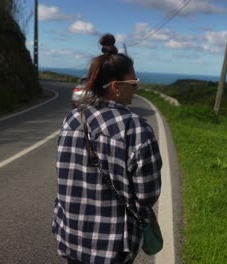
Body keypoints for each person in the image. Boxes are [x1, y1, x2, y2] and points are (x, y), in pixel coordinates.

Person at [52, 33, 162, 264]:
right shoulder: (136, 129)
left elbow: (64, 177)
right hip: (113, 246)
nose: (137, 86)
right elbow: (147, 194)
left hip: (71, 238)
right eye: (133, 82)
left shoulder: (72, 119)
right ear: (116, 87)